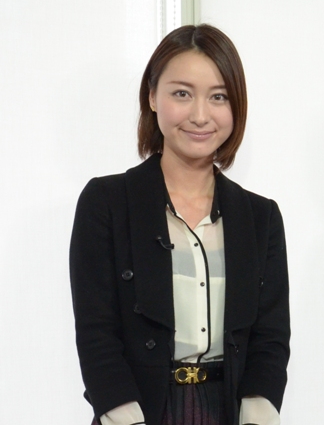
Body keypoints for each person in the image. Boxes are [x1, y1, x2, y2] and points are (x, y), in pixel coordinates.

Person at [70, 24, 290, 425]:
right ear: (152, 96)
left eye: (218, 97)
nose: (200, 115)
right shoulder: (106, 203)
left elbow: (270, 340)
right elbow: (96, 334)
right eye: (182, 94)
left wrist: (258, 415)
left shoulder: (261, 217)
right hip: (139, 412)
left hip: (229, 411)